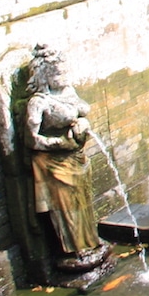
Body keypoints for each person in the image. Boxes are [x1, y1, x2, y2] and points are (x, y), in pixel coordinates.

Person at [23, 44, 110, 272]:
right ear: (44, 76)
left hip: (74, 156)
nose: (64, 77)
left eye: (65, 71)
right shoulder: (39, 102)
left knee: (81, 201)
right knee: (65, 206)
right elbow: (31, 140)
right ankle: (73, 248)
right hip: (53, 163)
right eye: (58, 73)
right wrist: (59, 143)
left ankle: (89, 239)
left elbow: (83, 108)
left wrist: (80, 125)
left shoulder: (67, 92)